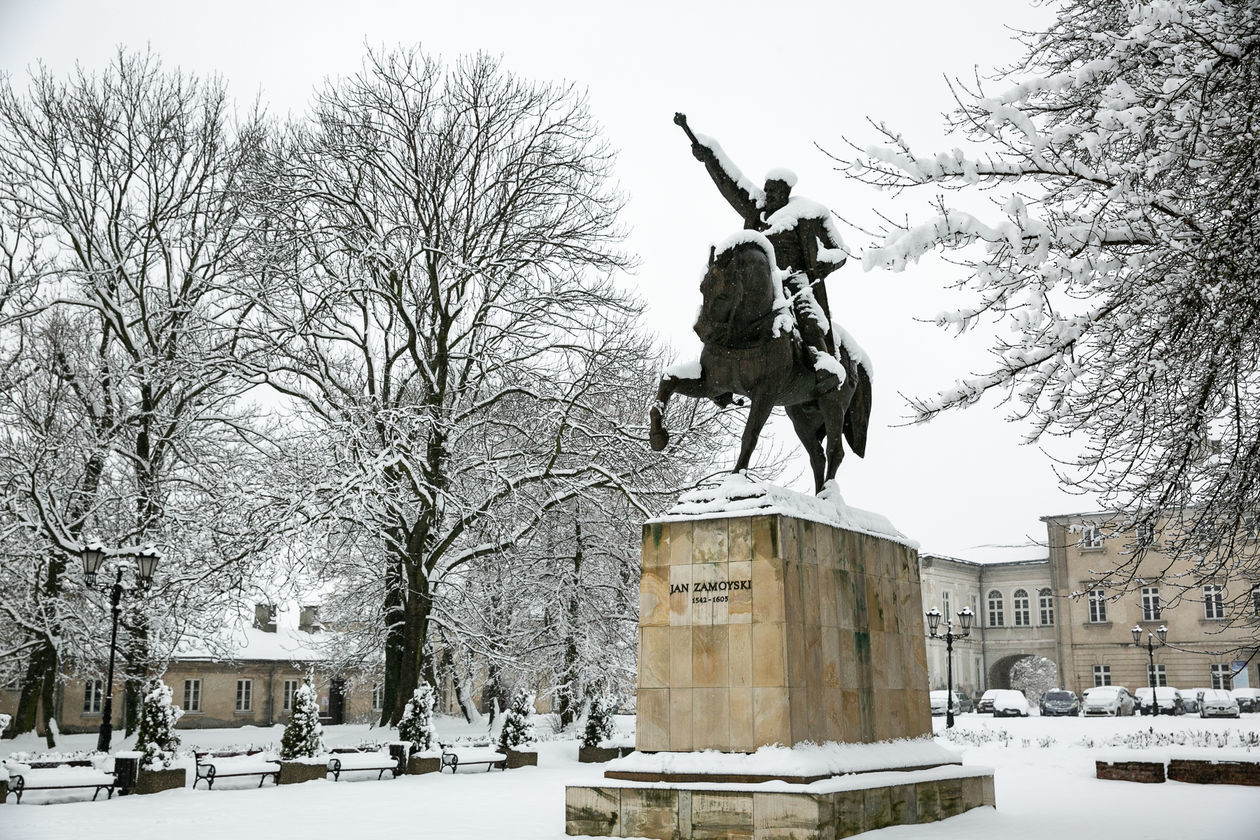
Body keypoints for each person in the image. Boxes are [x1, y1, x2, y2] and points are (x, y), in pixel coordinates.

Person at [678, 114, 848, 385]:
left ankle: (822, 366)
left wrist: (821, 266)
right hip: (759, 283)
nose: (768, 196)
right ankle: (719, 374)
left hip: (795, 282)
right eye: (767, 190)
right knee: (726, 309)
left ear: (786, 193)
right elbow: (731, 183)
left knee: (807, 318)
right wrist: (708, 156)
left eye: (774, 192)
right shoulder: (757, 211)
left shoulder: (809, 214)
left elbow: (840, 251)